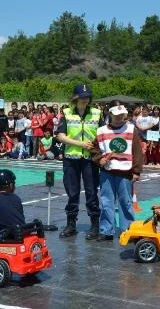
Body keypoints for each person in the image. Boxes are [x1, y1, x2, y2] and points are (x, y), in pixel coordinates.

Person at [56, 83, 103, 239]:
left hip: (90, 159)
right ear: (75, 98)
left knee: (91, 192)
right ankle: (71, 225)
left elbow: (103, 134)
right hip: (71, 158)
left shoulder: (97, 113)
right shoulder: (67, 113)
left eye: (87, 97)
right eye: (82, 97)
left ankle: (95, 226)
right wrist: (81, 144)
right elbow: (60, 136)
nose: (85, 100)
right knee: (72, 192)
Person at [92, 105, 144, 241]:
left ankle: (128, 230)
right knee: (106, 201)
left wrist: (137, 171)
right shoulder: (101, 130)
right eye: (116, 115)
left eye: (122, 115)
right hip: (107, 171)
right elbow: (95, 148)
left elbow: (137, 151)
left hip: (125, 171)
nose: (119, 118)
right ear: (110, 115)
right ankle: (106, 231)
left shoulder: (131, 130)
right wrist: (99, 159)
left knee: (126, 202)